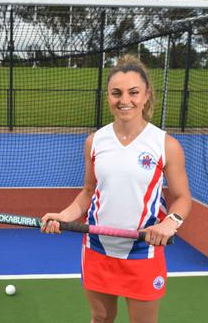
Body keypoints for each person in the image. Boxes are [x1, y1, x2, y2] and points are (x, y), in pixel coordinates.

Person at [41, 55, 192, 323]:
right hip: (98, 246)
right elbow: (88, 191)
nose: (125, 100)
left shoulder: (165, 145)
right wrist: (65, 215)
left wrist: (171, 222)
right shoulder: (95, 142)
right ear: (108, 97)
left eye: (133, 92)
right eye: (116, 93)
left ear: (146, 95)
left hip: (142, 250)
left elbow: (182, 198)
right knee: (101, 318)